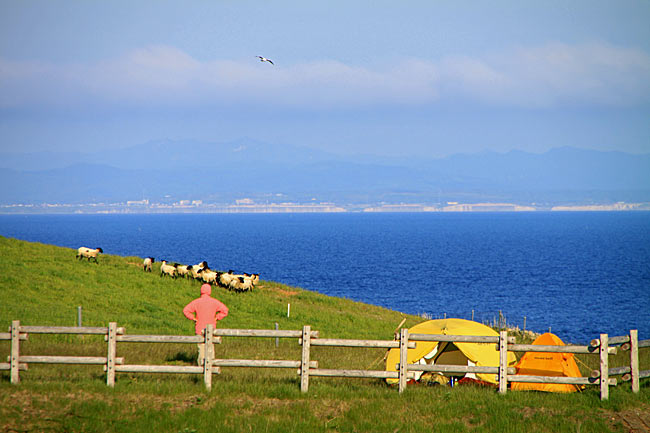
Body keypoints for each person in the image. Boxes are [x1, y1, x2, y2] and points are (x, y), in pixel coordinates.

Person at [183, 283, 229, 366]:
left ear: (201, 291)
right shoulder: (214, 302)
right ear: (209, 292)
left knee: (201, 348)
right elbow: (225, 310)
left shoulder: (196, 302)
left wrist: (193, 318)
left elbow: (185, 310)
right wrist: (217, 317)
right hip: (211, 329)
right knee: (210, 347)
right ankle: (211, 366)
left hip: (200, 328)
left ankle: (201, 366)